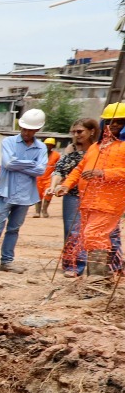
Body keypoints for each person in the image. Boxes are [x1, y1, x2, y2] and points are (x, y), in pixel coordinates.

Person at [0, 108, 47, 273]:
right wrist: (31, 164)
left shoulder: (41, 148)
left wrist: (19, 163)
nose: (26, 132)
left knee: (13, 229)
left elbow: (41, 170)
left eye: (30, 129)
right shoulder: (8, 142)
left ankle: (7, 262)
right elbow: (8, 164)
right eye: (24, 128)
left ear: (37, 129)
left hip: (25, 196)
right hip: (5, 193)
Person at [65, 104, 125, 284]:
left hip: (110, 202)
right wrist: (66, 186)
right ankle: (98, 275)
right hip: (88, 201)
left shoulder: (123, 147)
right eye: (110, 122)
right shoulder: (95, 148)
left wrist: (104, 173)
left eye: (119, 122)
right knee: (89, 237)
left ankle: (97, 278)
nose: (113, 125)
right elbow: (79, 169)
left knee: (94, 234)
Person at [50, 119, 102, 276]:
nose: (76, 135)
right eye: (74, 132)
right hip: (72, 195)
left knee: (94, 231)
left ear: (92, 131)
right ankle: (73, 265)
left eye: (80, 131)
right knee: (72, 231)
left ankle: (101, 267)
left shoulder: (99, 149)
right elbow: (60, 170)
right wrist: (53, 186)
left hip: (96, 195)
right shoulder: (70, 149)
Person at [36, 137, 59, 217]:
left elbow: (59, 167)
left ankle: (44, 210)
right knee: (38, 195)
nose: (48, 147)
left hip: (49, 178)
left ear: (53, 146)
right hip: (38, 178)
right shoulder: (39, 154)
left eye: (50, 145)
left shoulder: (56, 155)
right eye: (47, 145)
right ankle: (37, 212)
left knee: (48, 194)